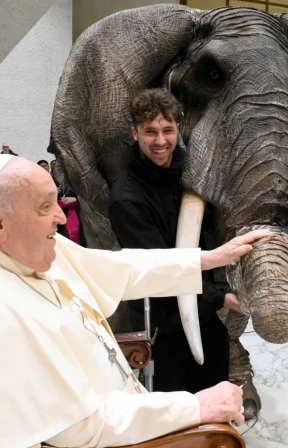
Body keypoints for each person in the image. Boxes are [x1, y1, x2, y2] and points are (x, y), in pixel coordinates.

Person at [0, 154, 272, 447]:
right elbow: (79, 429)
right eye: (46, 206)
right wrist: (195, 407)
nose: (60, 216)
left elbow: (120, 268)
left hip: (121, 414)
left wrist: (208, 258)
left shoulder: (8, 250)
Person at [109, 88, 236, 393]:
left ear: (178, 128)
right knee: (172, 414)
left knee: (215, 394)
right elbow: (160, 268)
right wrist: (221, 297)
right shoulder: (126, 198)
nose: (161, 141)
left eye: (168, 130)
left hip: (201, 313)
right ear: (135, 133)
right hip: (161, 324)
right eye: (150, 132)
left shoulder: (193, 172)